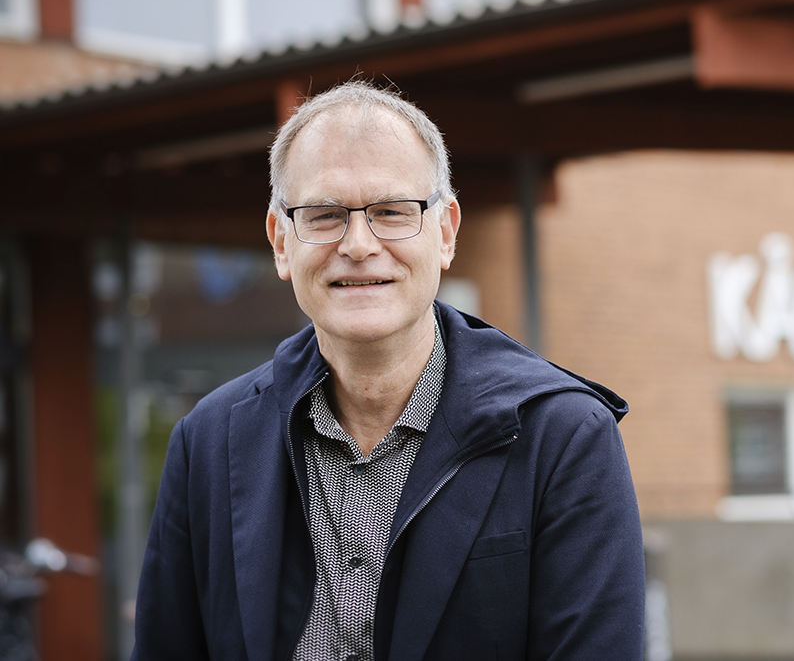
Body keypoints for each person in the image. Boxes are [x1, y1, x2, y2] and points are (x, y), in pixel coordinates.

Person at [131, 81, 644, 661]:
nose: (358, 244)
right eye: (324, 215)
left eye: (391, 212)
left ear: (446, 232)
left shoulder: (564, 438)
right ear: (281, 242)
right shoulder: (209, 442)